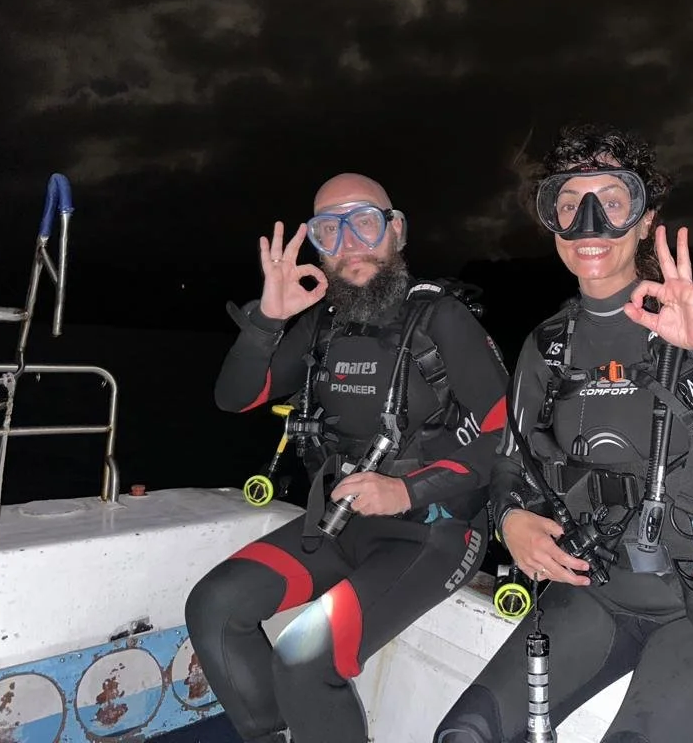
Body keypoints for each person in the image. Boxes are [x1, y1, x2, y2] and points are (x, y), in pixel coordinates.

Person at [434, 124, 693, 743]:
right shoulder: (548, 347)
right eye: (569, 204)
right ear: (550, 221)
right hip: (597, 591)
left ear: (644, 217)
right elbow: (509, 470)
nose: (589, 223)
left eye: (613, 200)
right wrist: (511, 522)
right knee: (465, 734)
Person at [186, 172, 509, 743]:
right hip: (336, 527)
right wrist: (267, 317)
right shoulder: (320, 325)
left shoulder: (442, 321)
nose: (349, 243)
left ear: (397, 231)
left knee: (303, 658)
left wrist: (406, 491)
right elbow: (235, 398)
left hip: (433, 535)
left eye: (364, 222)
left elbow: (503, 438)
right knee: (214, 607)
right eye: (328, 230)